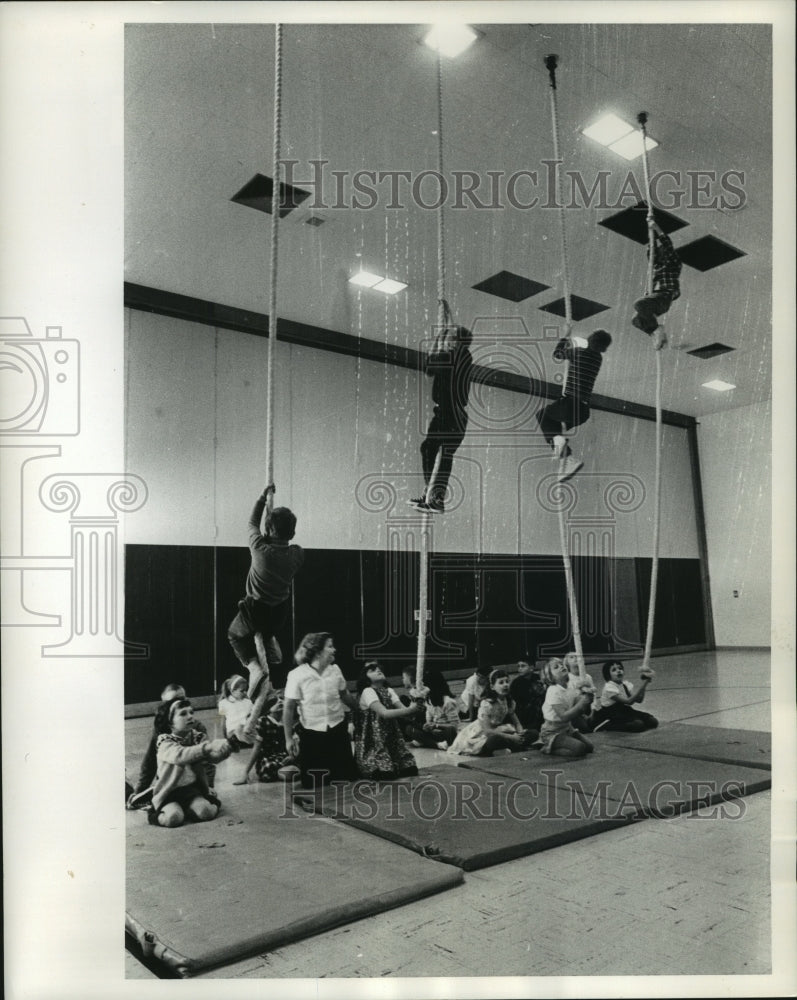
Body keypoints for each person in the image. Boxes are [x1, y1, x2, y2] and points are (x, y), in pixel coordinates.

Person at [227, 485, 304, 741]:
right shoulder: (297, 554)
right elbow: (278, 538)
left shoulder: (260, 549)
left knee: (235, 634)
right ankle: (270, 644)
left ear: (269, 531)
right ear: (292, 532)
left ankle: (253, 667)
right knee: (267, 632)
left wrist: (262, 498)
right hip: (279, 613)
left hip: (255, 610)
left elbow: (251, 522)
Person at [409, 323, 473, 513]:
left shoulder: (459, 355)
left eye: (452, 339)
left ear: (459, 343)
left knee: (440, 451)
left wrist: (439, 340)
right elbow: (431, 369)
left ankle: (435, 496)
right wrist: (441, 340)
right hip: (447, 413)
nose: (448, 341)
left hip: (451, 413)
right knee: (431, 449)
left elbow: (429, 367)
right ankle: (433, 495)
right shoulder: (455, 356)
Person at [282, 632, 359, 789]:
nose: (334, 650)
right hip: (312, 735)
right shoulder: (296, 675)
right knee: (314, 784)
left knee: (345, 780)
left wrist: (360, 709)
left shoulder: (335, 670)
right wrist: (288, 739)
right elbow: (288, 708)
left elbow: (345, 695)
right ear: (317, 652)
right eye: (330, 646)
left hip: (337, 731)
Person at [535, 329, 612, 483]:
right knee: (554, 429)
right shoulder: (598, 359)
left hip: (570, 404)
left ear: (590, 339)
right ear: (604, 348)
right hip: (582, 411)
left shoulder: (578, 353)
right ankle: (567, 458)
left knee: (542, 416)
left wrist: (565, 337)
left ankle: (563, 450)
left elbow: (557, 354)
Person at [146, 698, 233, 828]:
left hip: (192, 789)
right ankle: (155, 812)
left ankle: (200, 803)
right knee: (173, 818)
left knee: (206, 813)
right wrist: (208, 747)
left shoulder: (197, 736)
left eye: (191, 712)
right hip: (169, 791)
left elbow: (212, 758)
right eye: (183, 714)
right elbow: (180, 755)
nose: (190, 716)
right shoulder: (164, 741)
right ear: (169, 722)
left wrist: (225, 750)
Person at [127, 682, 214, 806]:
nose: (178, 704)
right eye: (172, 701)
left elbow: (207, 762)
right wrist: (139, 792)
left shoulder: (197, 727)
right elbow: (150, 761)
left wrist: (209, 787)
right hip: (169, 782)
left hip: (190, 783)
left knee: (204, 809)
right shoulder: (161, 729)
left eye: (182, 699)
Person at [354, 661, 423, 779]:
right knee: (385, 774)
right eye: (372, 670)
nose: (378, 670)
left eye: (378, 668)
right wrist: (410, 710)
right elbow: (384, 713)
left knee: (410, 769)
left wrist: (417, 701)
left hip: (390, 736)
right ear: (366, 678)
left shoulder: (389, 690)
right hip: (373, 739)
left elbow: (405, 711)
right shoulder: (367, 691)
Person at [448, 669, 537, 757]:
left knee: (534, 733)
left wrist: (520, 734)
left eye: (507, 681)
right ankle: (504, 747)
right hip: (482, 734)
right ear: (492, 687)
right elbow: (487, 731)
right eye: (501, 683)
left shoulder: (509, 701)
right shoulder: (487, 704)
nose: (505, 685)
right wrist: (512, 737)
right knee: (494, 740)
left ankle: (512, 746)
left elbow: (517, 722)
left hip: (500, 730)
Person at [631, 221, 682, 350]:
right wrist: (651, 235)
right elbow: (651, 251)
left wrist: (656, 228)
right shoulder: (655, 267)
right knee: (635, 320)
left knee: (638, 304)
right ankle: (655, 333)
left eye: (663, 252)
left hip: (664, 297)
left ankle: (657, 329)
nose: (661, 254)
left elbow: (668, 245)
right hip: (655, 302)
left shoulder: (673, 265)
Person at [536, 658, 595, 758]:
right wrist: (582, 702)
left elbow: (579, 707)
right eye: (556, 667)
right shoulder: (553, 691)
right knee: (579, 749)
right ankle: (547, 747)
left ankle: (563, 742)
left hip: (567, 728)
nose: (561, 666)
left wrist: (588, 697)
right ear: (551, 677)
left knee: (589, 747)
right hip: (552, 731)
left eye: (561, 664)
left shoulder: (570, 686)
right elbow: (563, 716)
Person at [233, 690, 296, 784]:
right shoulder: (262, 722)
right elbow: (257, 748)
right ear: (268, 707)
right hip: (268, 759)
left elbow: (294, 743)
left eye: (282, 699)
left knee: (295, 767)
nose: (280, 702)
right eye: (275, 700)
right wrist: (245, 773)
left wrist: (292, 756)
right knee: (286, 771)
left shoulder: (287, 722)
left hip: (283, 756)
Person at [590, 660, 658, 732]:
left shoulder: (625, 684)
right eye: (614, 670)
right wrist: (643, 684)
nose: (618, 671)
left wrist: (645, 683)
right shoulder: (609, 688)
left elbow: (639, 700)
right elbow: (629, 701)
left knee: (652, 721)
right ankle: (608, 726)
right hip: (611, 714)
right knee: (638, 725)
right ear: (608, 675)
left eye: (620, 668)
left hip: (624, 710)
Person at [404, 667, 461, 749]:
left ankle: (427, 742)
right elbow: (429, 721)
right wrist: (427, 726)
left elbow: (455, 726)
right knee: (409, 729)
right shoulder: (428, 700)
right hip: (434, 732)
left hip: (445, 732)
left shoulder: (448, 702)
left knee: (450, 731)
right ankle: (436, 744)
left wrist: (436, 726)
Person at [509, 660, 546, 734]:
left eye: (523, 666)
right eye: (518, 666)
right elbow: (515, 702)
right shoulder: (516, 683)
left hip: (540, 709)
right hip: (525, 712)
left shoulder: (538, 678)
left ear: (531, 668)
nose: (519, 669)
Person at [564, 652, 597, 733]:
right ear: (567, 664)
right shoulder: (567, 679)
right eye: (571, 657)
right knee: (585, 728)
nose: (575, 658)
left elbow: (594, 696)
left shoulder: (587, 677)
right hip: (576, 711)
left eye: (577, 656)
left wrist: (593, 711)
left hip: (589, 709)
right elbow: (571, 701)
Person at [217, 674, 254, 745]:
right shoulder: (223, 703)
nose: (245, 693)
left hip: (246, 731)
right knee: (239, 728)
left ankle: (249, 740)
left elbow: (252, 718)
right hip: (232, 733)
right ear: (232, 691)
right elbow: (223, 721)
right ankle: (247, 740)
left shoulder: (248, 702)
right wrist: (225, 738)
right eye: (242, 691)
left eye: (246, 690)